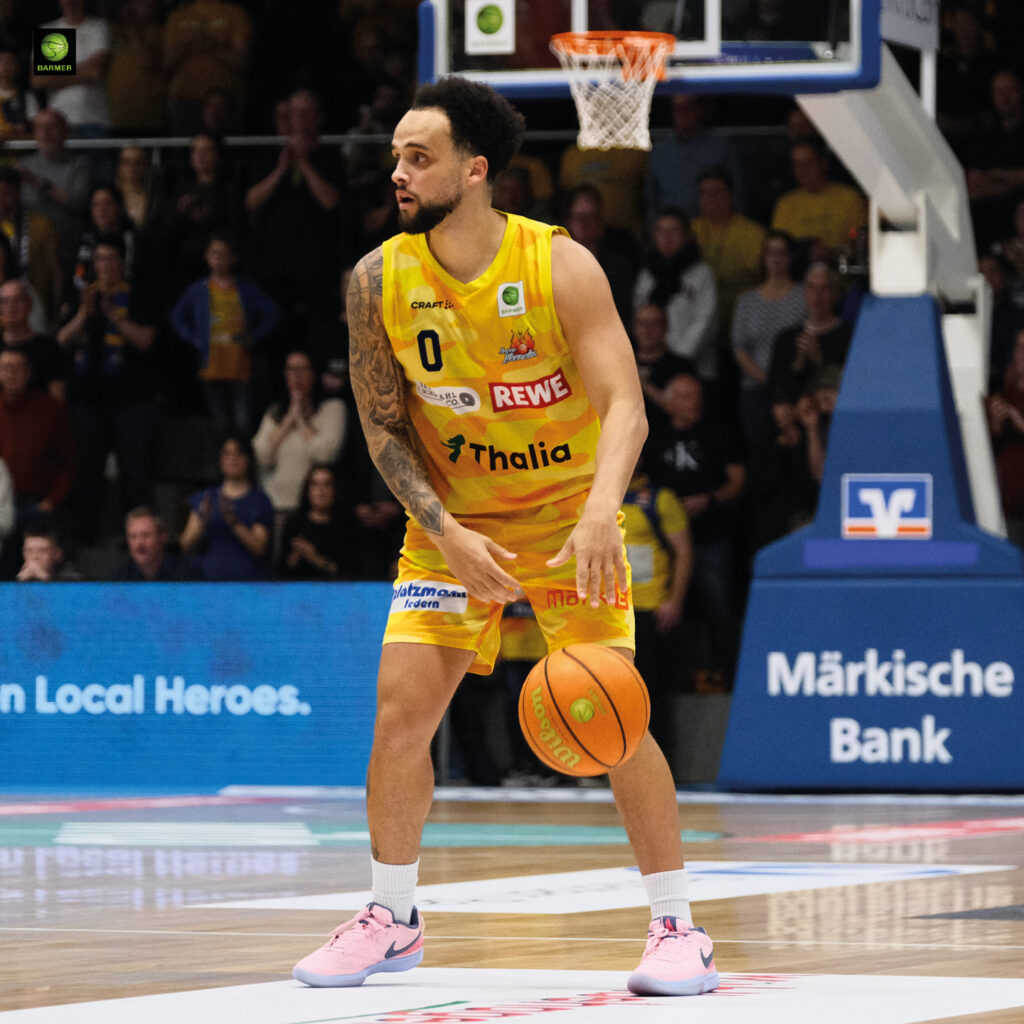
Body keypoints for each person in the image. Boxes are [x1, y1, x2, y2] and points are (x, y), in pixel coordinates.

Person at [291, 76, 719, 998]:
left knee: (613, 715)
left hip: (572, 525)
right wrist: (442, 531)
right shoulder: (375, 281)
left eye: (419, 157)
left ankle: (678, 927)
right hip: (453, 527)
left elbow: (626, 407)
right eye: (395, 156)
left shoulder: (559, 266)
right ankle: (393, 918)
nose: (397, 172)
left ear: (473, 170)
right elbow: (382, 427)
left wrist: (604, 506)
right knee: (402, 716)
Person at [645, 374, 744, 694]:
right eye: (685, 396)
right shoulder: (655, 437)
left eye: (697, 395)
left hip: (710, 536)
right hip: (665, 543)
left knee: (718, 608)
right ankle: (671, 679)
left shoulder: (719, 434)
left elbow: (738, 480)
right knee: (670, 611)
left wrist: (709, 499)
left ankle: (728, 676)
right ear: (670, 401)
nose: (693, 402)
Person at [57, 235, 160, 543]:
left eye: (111, 259)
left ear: (122, 263)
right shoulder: (82, 296)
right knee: (87, 472)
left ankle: (138, 541)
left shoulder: (139, 295)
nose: (105, 265)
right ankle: (86, 540)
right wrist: (84, 315)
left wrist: (115, 317)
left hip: (131, 401)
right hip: (87, 402)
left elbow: (146, 340)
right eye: (100, 260)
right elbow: (61, 341)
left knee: (134, 474)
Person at [170, 230, 281, 438]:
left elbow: (272, 312)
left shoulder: (245, 288)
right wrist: (193, 338)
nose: (218, 259)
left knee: (243, 422)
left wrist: (254, 336)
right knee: (219, 423)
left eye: (223, 254)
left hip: (239, 364)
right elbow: (177, 316)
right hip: (211, 365)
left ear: (233, 257)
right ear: (206, 256)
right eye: (214, 253)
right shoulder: (199, 289)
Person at [622, 459, 692, 768]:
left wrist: (674, 600)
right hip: (609, 612)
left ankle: (658, 768)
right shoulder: (595, 496)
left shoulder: (660, 498)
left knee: (649, 694)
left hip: (650, 609)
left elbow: (684, 551)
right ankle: (612, 764)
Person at [252, 348, 346, 538]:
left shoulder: (331, 408)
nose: (296, 376)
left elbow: (326, 454)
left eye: (302, 369)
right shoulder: (275, 411)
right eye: (291, 369)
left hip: (311, 511)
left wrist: (302, 422)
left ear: (314, 373)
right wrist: (288, 420)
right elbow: (260, 456)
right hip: (274, 506)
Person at [731, 229, 807, 459]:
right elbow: (739, 347)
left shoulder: (804, 296)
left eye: (782, 252)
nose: (776, 258)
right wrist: (767, 380)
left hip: (794, 388)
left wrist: (783, 384)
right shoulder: (747, 300)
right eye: (771, 252)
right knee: (759, 453)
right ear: (763, 258)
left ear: (791, 257)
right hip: (756, 389)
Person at [0, 348, 75, 575]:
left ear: (28, 373)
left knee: (40, 567)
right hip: (1, 509)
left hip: (37, 507)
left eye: (17, 368)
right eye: (5, 368)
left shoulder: (49, 409)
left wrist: (51, 501)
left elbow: (69, 462)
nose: (11, 374)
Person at [633, 207, 719, 389]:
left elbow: (705, 320)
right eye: (661, 231)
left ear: (686, 235)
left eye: (674, 231)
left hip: (696, 366)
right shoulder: (647, 275)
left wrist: (679, 357)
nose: (667, 237)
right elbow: (640, 315)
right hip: (655, 366)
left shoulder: (702, 273)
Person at [179, 433, 274, 581]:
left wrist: (234, 523)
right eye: (227, 453)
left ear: (249, 459)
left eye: (239, 453)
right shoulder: (205, 498)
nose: (232, 458)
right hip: (206, 586)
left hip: (248, 587)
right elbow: (185, 546)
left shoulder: (259, 501)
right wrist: (203, 520)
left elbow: (259, 548)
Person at [767, 261, 852, 411]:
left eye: (824, 289)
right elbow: (776, 386)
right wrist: (798, 363)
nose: (816, 296)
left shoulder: (849, 335)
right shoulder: (786, 338)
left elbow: (850, 383)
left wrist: (819, 359)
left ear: (836, 293)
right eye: (811, 287)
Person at [17, 108, 92, 276]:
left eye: (51, 127)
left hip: (69, 248)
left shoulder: (79, 164)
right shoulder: (23, 165)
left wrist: (36, 182)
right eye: (40, 127)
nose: (45, 133)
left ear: (66, 132)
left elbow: (78, 203)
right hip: (32, 254)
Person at [162, 0, 253, 136]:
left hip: (225, 101)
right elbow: (166, 64)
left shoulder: (235, 15)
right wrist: (188, 46)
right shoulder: (178, 17)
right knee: (185, 153)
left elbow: (241, 62)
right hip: (185, 101)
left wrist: (213, 46)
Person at [770, 139, 868, 258]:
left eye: (807, 163)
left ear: (823, 163)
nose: (801, 170)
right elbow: (779, 248)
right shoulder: (786, 204)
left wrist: (831, 254)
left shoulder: (849, 198)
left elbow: (860, 245)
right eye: (797, 164)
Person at [32, 0, 112, 137]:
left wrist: (56, 71)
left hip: (94, 120)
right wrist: (84, 70)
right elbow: (39, 80)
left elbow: (96, 72)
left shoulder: (98, 27)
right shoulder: (50, 30)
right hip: (57, 122)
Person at [278, 463, 354, 580]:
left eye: (327, 484)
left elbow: (350, 572)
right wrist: (295, 556)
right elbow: (280, 571)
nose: (321, 490)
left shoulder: (347, 526)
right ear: (307, 490)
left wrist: (316, 559)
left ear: (335, 489)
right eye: (315, 484)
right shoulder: (294, 524)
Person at [0, 279, 66, 401]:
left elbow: (57, 400)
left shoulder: (49, 348)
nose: (11, 306)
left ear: (30, 304)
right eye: (5, 301)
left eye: (17, 300)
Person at [111, 506, 204, 581]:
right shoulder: (121, 577)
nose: (139, 544)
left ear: (163, 537)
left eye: (146, 535)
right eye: (133, 536)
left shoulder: (187, 573)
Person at [16, 525, 82, 581]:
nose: (35, 556)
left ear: (57, 554)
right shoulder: (15, 573)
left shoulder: (71, 576)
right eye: (29, 551)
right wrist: (18, 582)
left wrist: (45, 579)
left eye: (42, 551)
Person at [0, 48, 39, 141]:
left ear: (18, 67)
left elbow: (35, 128)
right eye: (1, 61)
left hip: (20, 149)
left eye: (10, 61)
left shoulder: (27, 97)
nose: (5, 66)